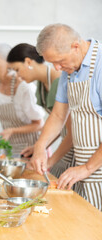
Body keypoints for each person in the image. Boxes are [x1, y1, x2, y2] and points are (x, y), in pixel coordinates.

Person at [31, 23, 102, 210]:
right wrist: (40, 146)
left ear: (75, 46)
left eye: (60, 61)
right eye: (52, 63)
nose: (57, 68)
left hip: (95, 167)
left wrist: (87, 168)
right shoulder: (70, 68)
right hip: (82, 169)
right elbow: (58, 115)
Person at [7, 43, 74, 178]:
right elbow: (57, 125)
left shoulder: (58, 81)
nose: (18, 76)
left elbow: (72, 133)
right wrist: (39, 147)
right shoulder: (41, 84)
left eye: (17, 69)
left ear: (28, 62)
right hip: (65, 148)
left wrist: (48, 162)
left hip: (74, 149)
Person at [0, 43, 44, 156]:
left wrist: (12, 131)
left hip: (30, 148)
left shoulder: (24, 87)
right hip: (10, 147)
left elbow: (39, 124)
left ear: (9, 62)